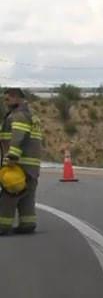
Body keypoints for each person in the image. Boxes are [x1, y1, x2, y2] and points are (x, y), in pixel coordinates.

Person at [0, 88, 43, 235]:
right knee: (27, 194)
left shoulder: (18, 116)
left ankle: (3, 226)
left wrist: (11, 157)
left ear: (17, 98)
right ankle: (27, 223)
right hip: (32, 165)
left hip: (19, 164)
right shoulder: (31, 115)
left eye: (8, 99)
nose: (5, 102)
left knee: (9, 194)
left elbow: (18, 137)